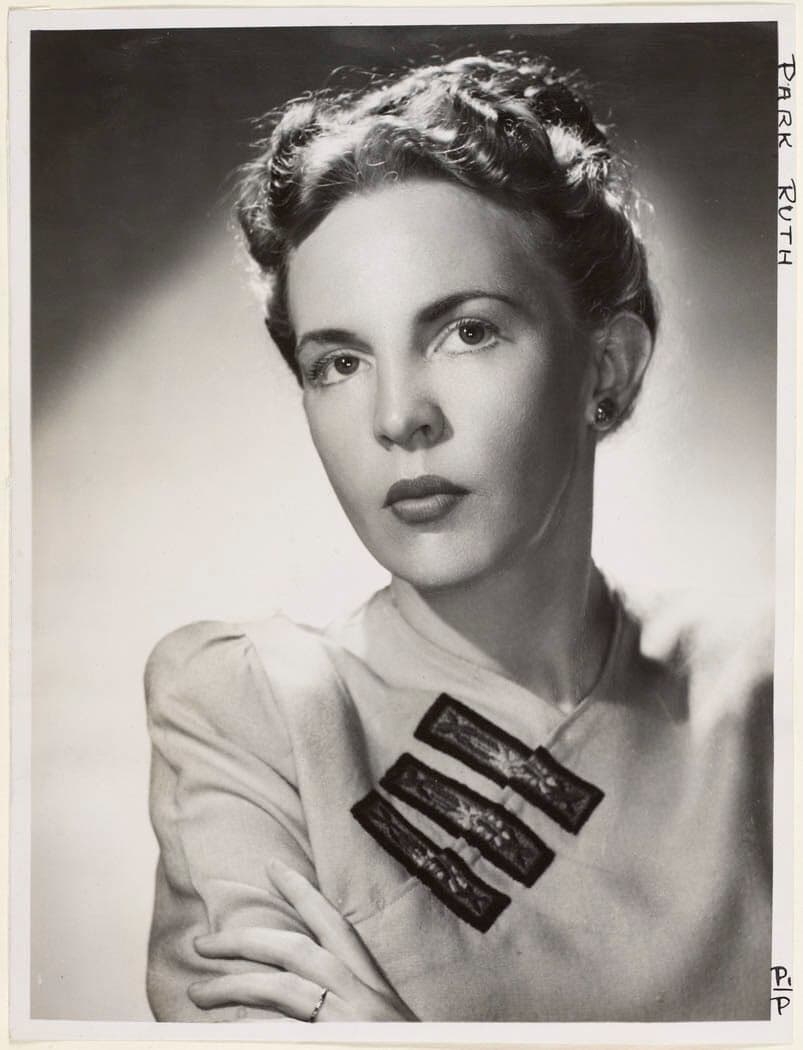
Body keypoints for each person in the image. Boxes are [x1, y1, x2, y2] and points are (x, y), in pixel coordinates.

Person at [145, 52, 772, 1023]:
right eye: (338, 362)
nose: (398, 417)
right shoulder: (258, 711)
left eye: (466, 332)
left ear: (606, 367)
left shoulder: (763, 701)